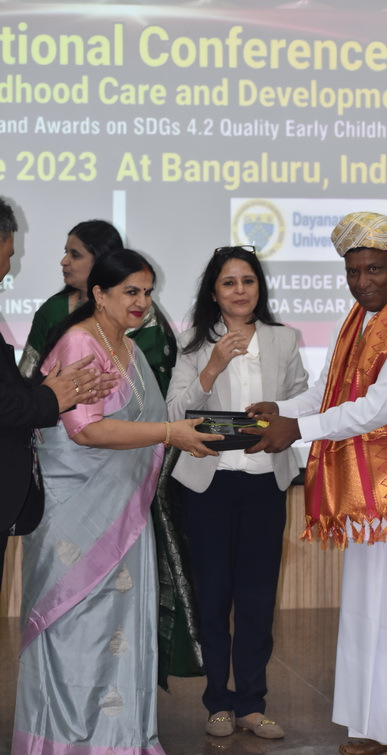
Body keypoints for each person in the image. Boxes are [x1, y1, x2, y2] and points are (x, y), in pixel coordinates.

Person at [243, 212, 387, 753]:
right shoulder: (360, 320)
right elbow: (328, 392)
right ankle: (372, 727)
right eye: (353, 271)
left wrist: (297, 430)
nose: (363, 282)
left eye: (375, 270)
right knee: (366, 618)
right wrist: (283, 410)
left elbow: (377, 408)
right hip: (370, 498)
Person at [11, 249, 222, 754]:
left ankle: (120, 740)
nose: (142, 301)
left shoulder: (127, 347)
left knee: (122, 629)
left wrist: (177, 431)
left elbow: (146, 423)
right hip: (75, 518)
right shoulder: (80, 342)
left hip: (125, 514)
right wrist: (169, 432)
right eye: (130, 291)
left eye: (147, 292)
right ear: (99, 294)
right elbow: (86, 431)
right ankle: (64, 743)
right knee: (77, 629)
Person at [166, 245, 308, 740]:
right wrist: (212, 366)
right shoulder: (193, 343)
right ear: (214, 292)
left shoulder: (284, 339)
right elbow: (175, 412)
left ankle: (251, 702)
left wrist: (280, 412)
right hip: (209, 485)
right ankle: (217, 703)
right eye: (229, 282)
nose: (240, 290)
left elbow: (302, 401)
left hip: (264, 483)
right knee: (213, 596)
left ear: (259, 288)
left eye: (248, 281)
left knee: (257, 597)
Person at [0, 198, 117, 587]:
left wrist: (54, 388)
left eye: (75, 253)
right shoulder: (52, 312)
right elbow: (10, 395)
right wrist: (53, 396)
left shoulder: (138, 319)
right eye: (8, 255)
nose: (9, 268)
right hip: (61, 463)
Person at [19, 219, 177, 396]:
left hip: (134, 411)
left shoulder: (142, 312)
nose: (64, 261)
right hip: (60, 409)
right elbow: (27, 377)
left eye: (75, 255)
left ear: (102, 260)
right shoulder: (53, 310)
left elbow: (160, 384)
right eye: (66, 253)